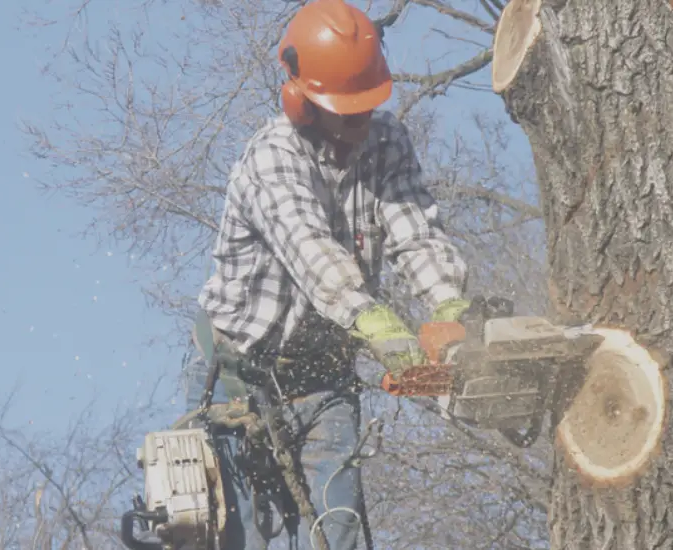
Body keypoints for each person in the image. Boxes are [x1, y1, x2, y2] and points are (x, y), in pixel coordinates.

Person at [183, 0, 473, 547]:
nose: (359, 123)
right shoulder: (271, 157)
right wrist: (378, 323)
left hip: (324, 375)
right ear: (301, 101)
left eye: (365, 107)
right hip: (240, 371)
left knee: (341, 531)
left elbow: (414, 228)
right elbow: (311, 253)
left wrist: (448, 306)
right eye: (347, 110)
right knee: (236, 535)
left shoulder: (386, 140)